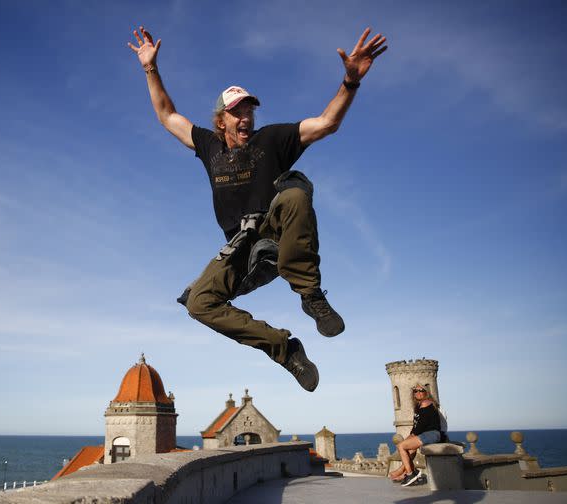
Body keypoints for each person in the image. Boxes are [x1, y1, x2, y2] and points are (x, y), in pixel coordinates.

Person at [127, 25, 387, 392]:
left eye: (249, 110)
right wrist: (150, 68)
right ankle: (286, 350)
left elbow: (327, 123)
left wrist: (351, 82)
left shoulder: (273, 139)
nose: (245, 117)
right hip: (243, 248)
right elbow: (168, 115)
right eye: (237, 112)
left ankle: (311, 296)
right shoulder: (208, 145)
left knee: (295, 193)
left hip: (277, 234)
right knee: (200, 303)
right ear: (222, 120)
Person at [389, 384, 443, 487]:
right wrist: (409, 438)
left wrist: (406, 440)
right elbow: (415, 427)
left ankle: (409, 474)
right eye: (415, 391)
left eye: (421, 390)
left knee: (401, 446)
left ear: (426, 392)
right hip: (425, 434)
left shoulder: (426, 404)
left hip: (432, 434)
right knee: (410, 449)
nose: (418, 393)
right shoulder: (418, 406)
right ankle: (409, 472)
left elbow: (419, 428)